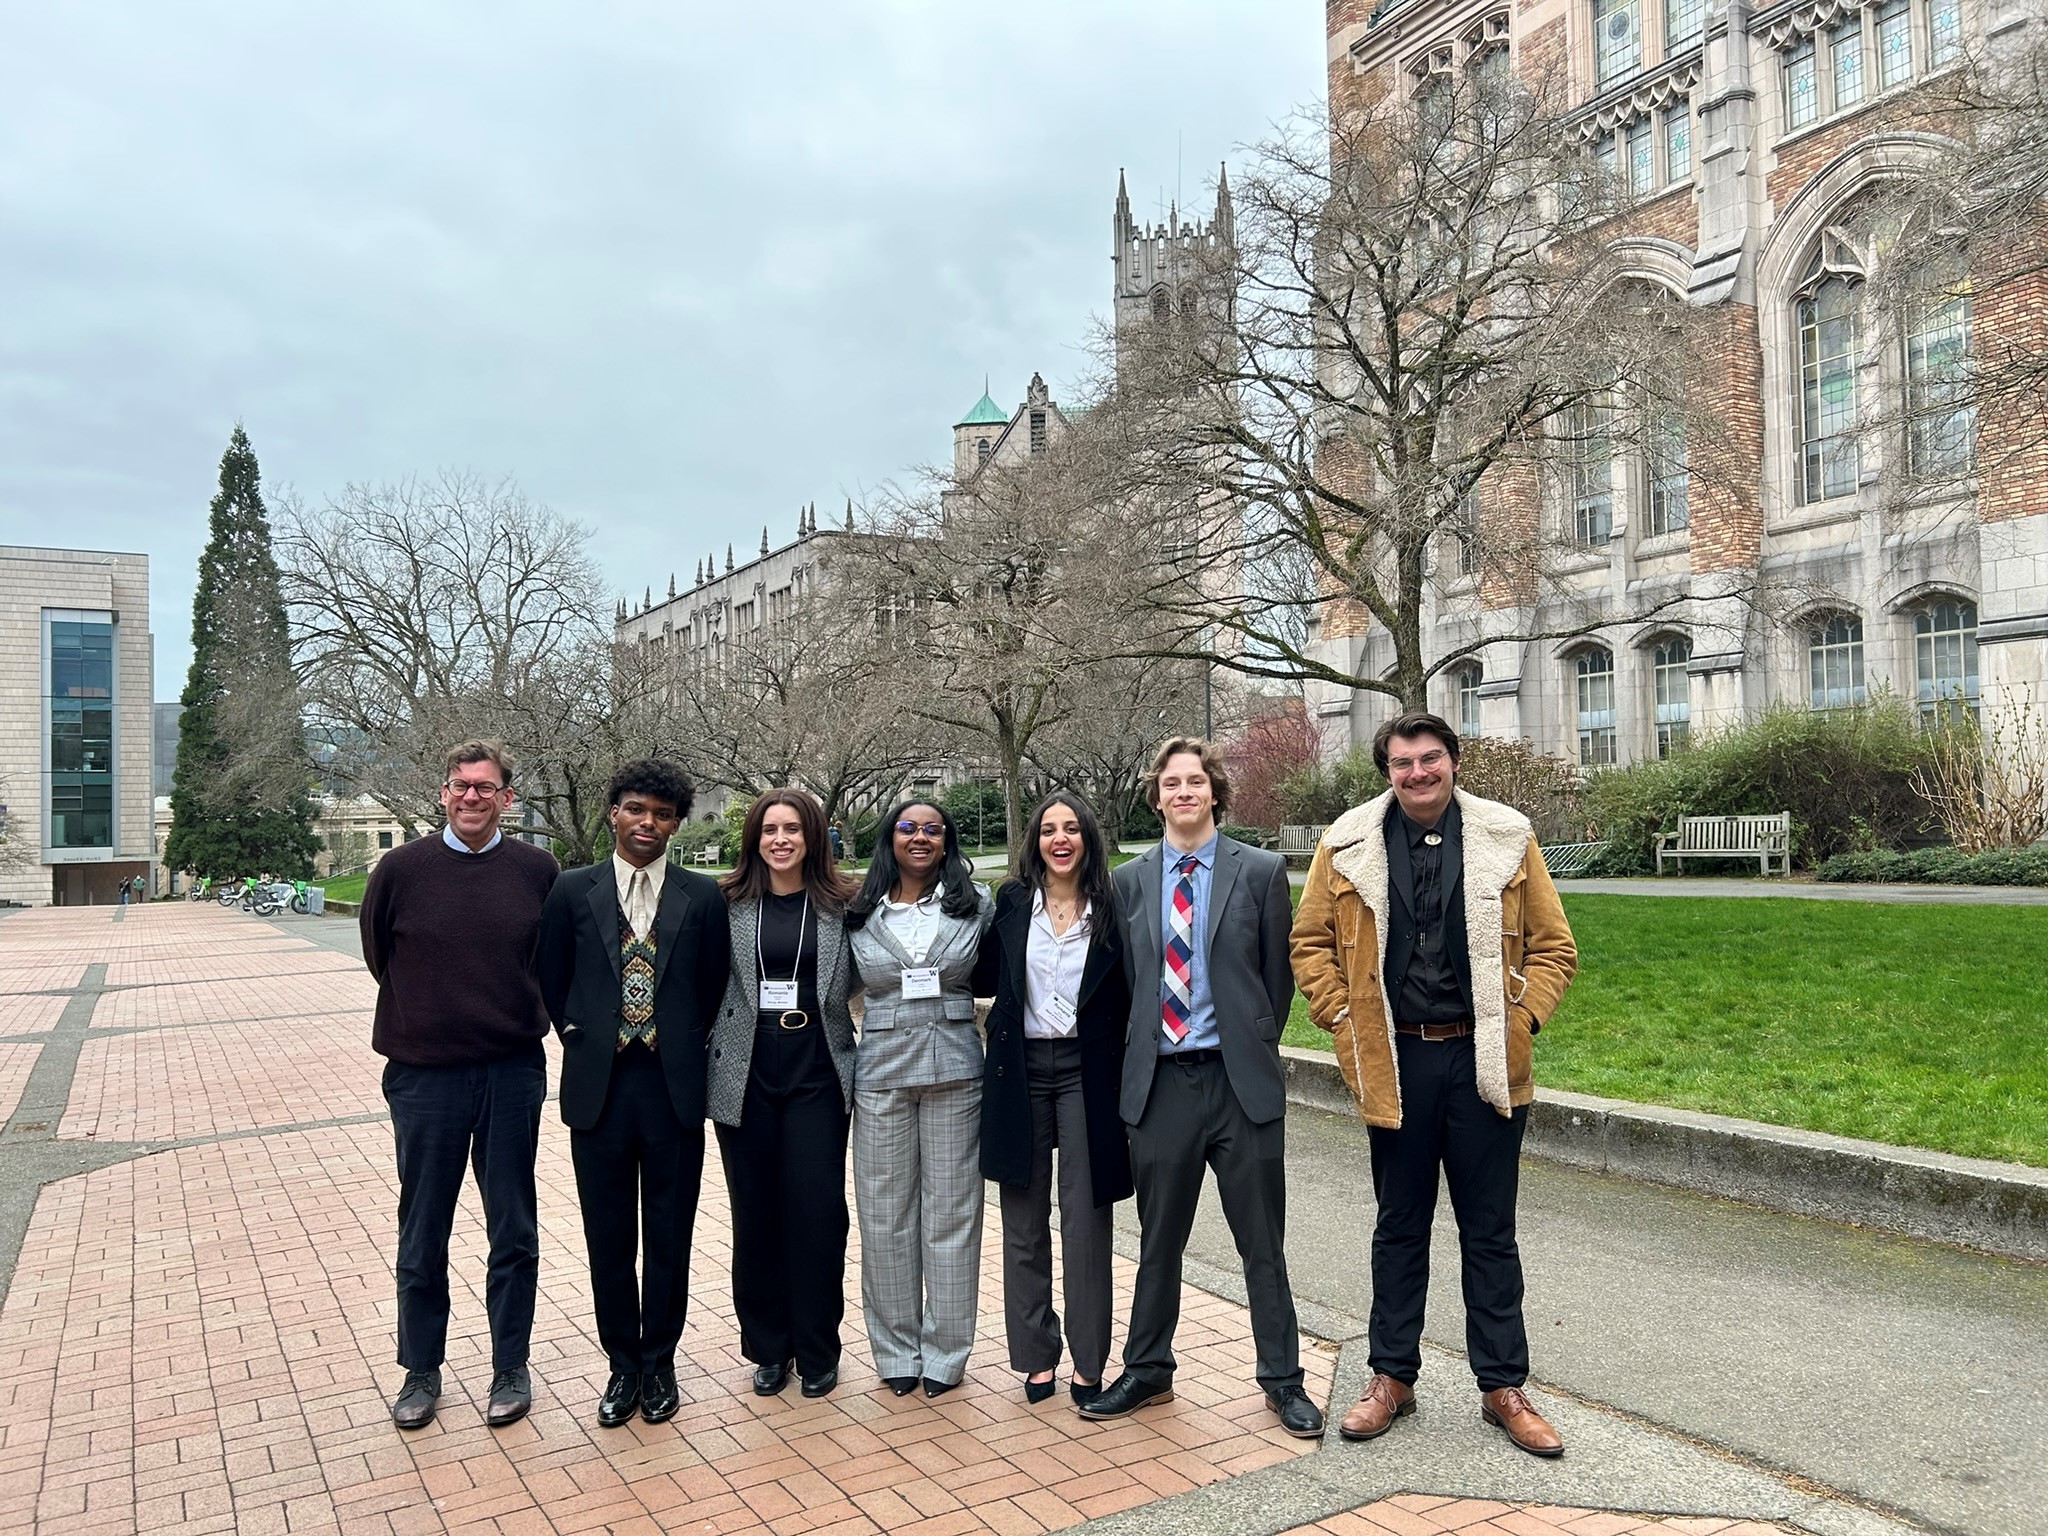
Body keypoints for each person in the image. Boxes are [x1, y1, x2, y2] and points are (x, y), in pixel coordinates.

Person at [1291, 711, 1577, 1457]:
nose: (1417, 773)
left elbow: (1554, 947)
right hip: (1395, 1060)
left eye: (1429, 759)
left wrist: (1521, 1026)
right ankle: (1391, 1377)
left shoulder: (1506, 836)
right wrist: (1342, 1017)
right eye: (1401, 762)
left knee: (1490, 1230)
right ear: (1386, 770)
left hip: (1483, 1061)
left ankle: (1503, 1387)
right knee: (1399, 1224)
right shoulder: (1347, 843)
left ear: (1453, 761)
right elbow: (1309, 941)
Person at [1083, 737, 1323, 1438]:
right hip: (1161, 1088)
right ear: (1156, 797)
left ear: (1215, 792)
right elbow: (1124, 985)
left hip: (1238, 1084)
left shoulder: (1262, 871)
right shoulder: (1128, 883)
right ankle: (1149, 1368)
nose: (1183, 792)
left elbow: (1273, 983)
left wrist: (1248, 1037)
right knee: (1159, 1240)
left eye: (1196, 781)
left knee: (1263, 1245)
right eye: (1171, 783)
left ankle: (1283, 1380)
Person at [360, 740, 559, 1430]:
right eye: (459, 786)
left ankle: (510, 1363)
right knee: (423, 1229)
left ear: (508, 797)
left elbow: (548, 961)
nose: (472, 796)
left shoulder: (538, 870)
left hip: (511, 1072)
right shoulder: (400, 870)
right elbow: (379, 956)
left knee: (514, 1226)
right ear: (442, 794)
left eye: (486, 787)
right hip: (425, 1078)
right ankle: (421, 1369)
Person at [536, 759, 731, 1428]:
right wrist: (581, 1034)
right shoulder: (571, 891)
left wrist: (673, 1039)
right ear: (613, 812)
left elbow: (709, 987)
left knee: (671, 1233)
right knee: (609, 1235)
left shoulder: (700, 897)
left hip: (673, 1088)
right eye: (636, 809)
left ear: (677, 823)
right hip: (601, 1090)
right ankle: (623, 1363)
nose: (648, 823)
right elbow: (550, 974)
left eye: (663, 814)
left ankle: (662, 1362)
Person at [972, 791, 1131, 1407]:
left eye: (1071, 829)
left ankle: (1090, 1364)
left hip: (1088, 1074)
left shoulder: (1113, 908)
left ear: (1087, 838)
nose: (1059, 839)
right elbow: (985, 974)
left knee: (1086, 1221)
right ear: (1034, 841)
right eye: (1047, 830)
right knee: (1022, 1219)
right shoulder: (1013, 904)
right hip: (1021, 1070)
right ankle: (1036, 1357)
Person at [707, 789, 860, 1399]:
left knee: (818, 1212)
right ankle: (769, 1347)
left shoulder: (843, 904)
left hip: (819, 1071)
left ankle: (819, 1346)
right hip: (745, 1072)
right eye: (769, 829)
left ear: (812, 837)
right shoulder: (724, 903)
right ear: (754, 839)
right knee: (757, 1213)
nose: (780, 840)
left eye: (792, 829)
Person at [845, 800, 994, 1397]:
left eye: (933, 829)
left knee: (953, 1215)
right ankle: (896, 1351)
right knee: (884, 1216)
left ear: (946, 841)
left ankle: (945, 1354)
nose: (920, 837)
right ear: (890, 839)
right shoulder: (857, 911)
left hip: (956, 1071)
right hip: (880, 1071)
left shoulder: (975, 905)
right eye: (908, 828)